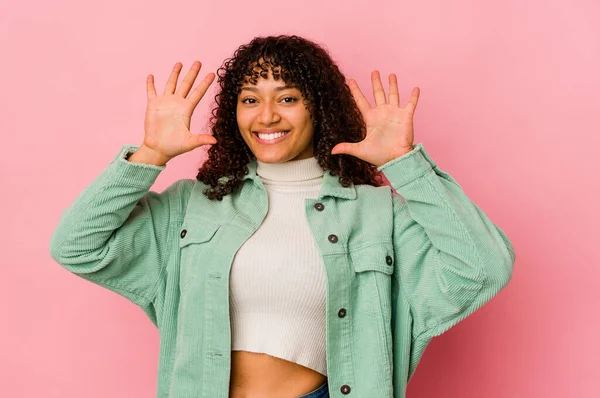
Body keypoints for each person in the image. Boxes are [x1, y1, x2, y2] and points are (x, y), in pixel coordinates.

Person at [49, 35, 516, 398]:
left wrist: (406, 165)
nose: (266, 116)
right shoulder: (192, 204)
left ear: (320, 108)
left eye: (287, 98)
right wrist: (149, 155)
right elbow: (76, 246)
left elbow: (482, 268)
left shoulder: (377, 214)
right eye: (250, 99)